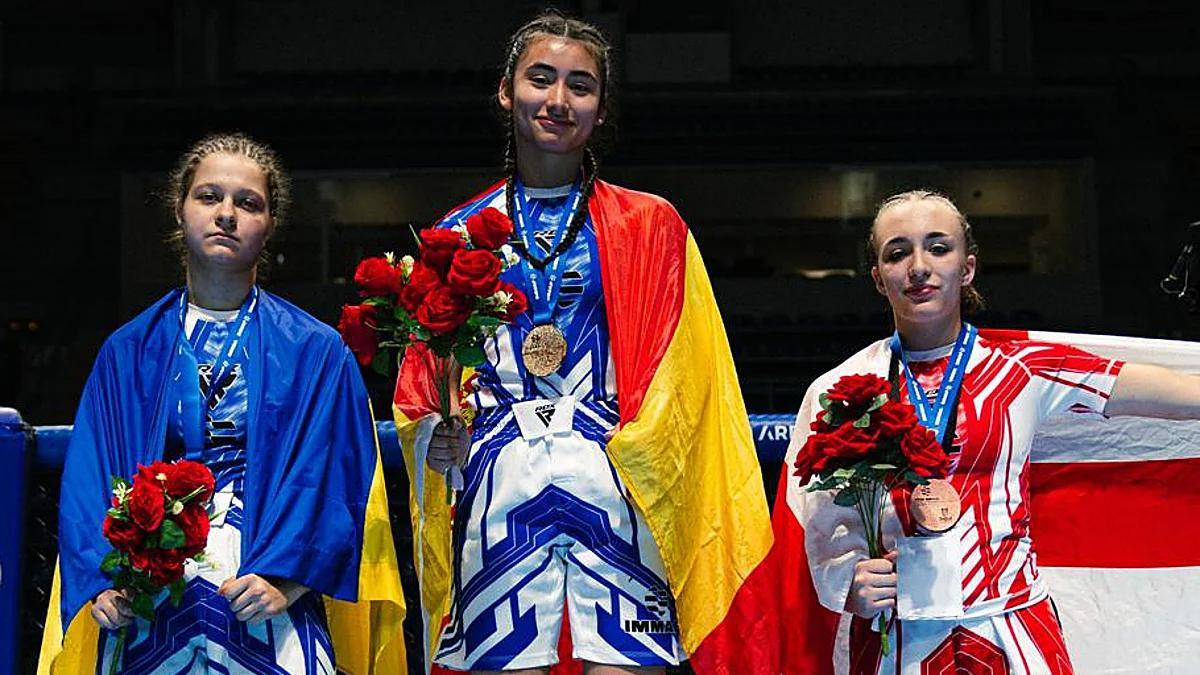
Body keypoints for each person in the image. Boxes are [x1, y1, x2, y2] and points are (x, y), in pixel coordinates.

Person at [392, 10, 777, 674]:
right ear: (507, 91)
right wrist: (439, 433)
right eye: (542, 79)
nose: (559, 100)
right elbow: (421, 390)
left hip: (616, 481)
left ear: (600, 110)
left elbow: (692, 375)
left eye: (581, 85)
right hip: (498, 483)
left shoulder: (652, 224)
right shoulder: (454, 235)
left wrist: (634, 452)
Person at [780, 189, 1200, 674]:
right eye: (898, 252)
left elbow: (1176, 393)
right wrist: (845, 580)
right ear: (878, 278)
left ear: (968, 267)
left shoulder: (1024, 369)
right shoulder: (841, 389)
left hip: (1013, 628)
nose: (919, 266)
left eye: (939, 247)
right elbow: (814, 521)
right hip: (896, 639)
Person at [39, 133, 405, 674]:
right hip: (151, 595)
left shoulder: (315, 350)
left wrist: (292, 577)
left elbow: (341, 477)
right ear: (180, 210)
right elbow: (91, 473)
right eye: (209, 197)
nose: (227, 214)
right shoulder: (129, 351)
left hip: (266, 590)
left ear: (270, 224)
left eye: (248, 203)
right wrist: (100, 581)